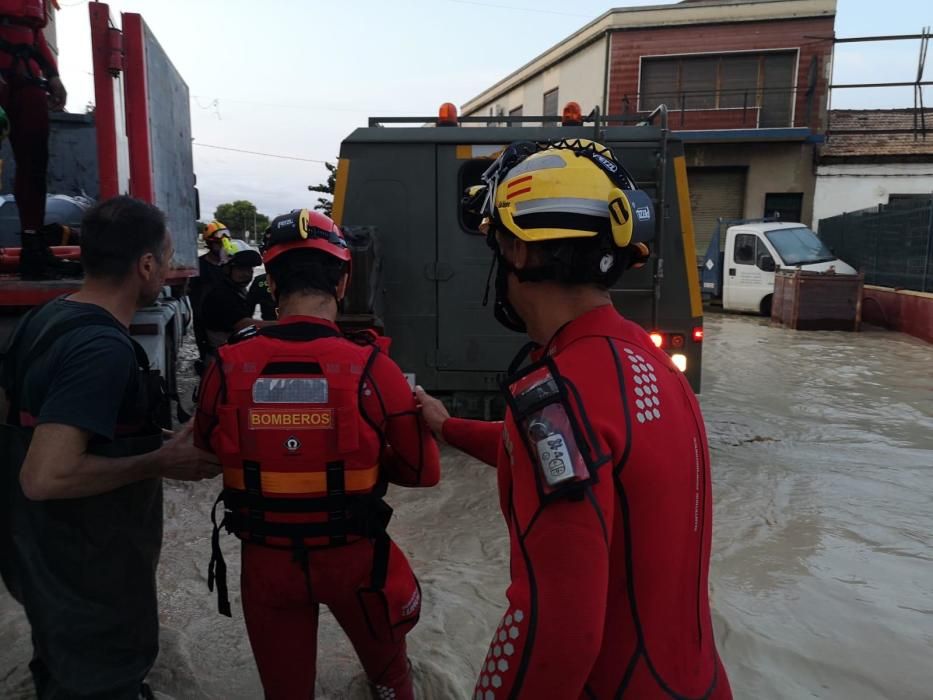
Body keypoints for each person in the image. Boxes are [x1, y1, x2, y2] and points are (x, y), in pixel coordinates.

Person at [416, 139, 732, 699]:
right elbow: (572, 455)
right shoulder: (649, 361)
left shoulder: (557, 395)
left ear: (519, 253)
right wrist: (447, 427)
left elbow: (552, 626)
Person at [195, 208, 440, 700]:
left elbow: (205, 452)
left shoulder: (224, 366)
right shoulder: (375, 367)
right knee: (390, 683)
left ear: (271, 283)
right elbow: (423, 472)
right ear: (344, 280)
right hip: (356, 562)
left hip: (267, 565)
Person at [0, 195, 221, 699]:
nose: (166, 272)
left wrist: (149, 439)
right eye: (164, 260)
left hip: (40, 559)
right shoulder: (101, 350)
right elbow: (45, 477)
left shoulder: (48, 316)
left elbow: (19, 415)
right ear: (145, 265)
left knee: (59, 671)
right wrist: (162, 461)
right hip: (88, 571)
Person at [0, 0, 72, 278]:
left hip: (27, 69)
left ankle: (33, 247)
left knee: (34, 162)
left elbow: (36, 32)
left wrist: (53, 74)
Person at [198, 238, 266, 353]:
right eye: (240, 268)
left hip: (230, 354)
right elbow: (243, 325)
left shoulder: (237, 290)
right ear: (226, 268)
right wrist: (281, 325)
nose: (247, 274)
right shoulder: (220, 294)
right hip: (220, 359)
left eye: (249, 269)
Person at [190, 220, 232, 366]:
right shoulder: (198, 266)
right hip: (203, 319)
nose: (221, 246)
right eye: (217, 243)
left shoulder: (229, 265)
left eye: (223, 243)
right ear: (209, 243)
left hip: (227, 319)